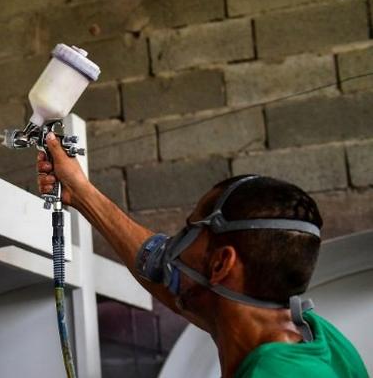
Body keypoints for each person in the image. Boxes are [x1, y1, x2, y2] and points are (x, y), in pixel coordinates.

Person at [35, 132, 368, 378]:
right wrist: (80, 192)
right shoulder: (307, 332)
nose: (174, 246)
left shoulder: (277, 374)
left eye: (190, 231)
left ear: (222, 263)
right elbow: (160, 271)